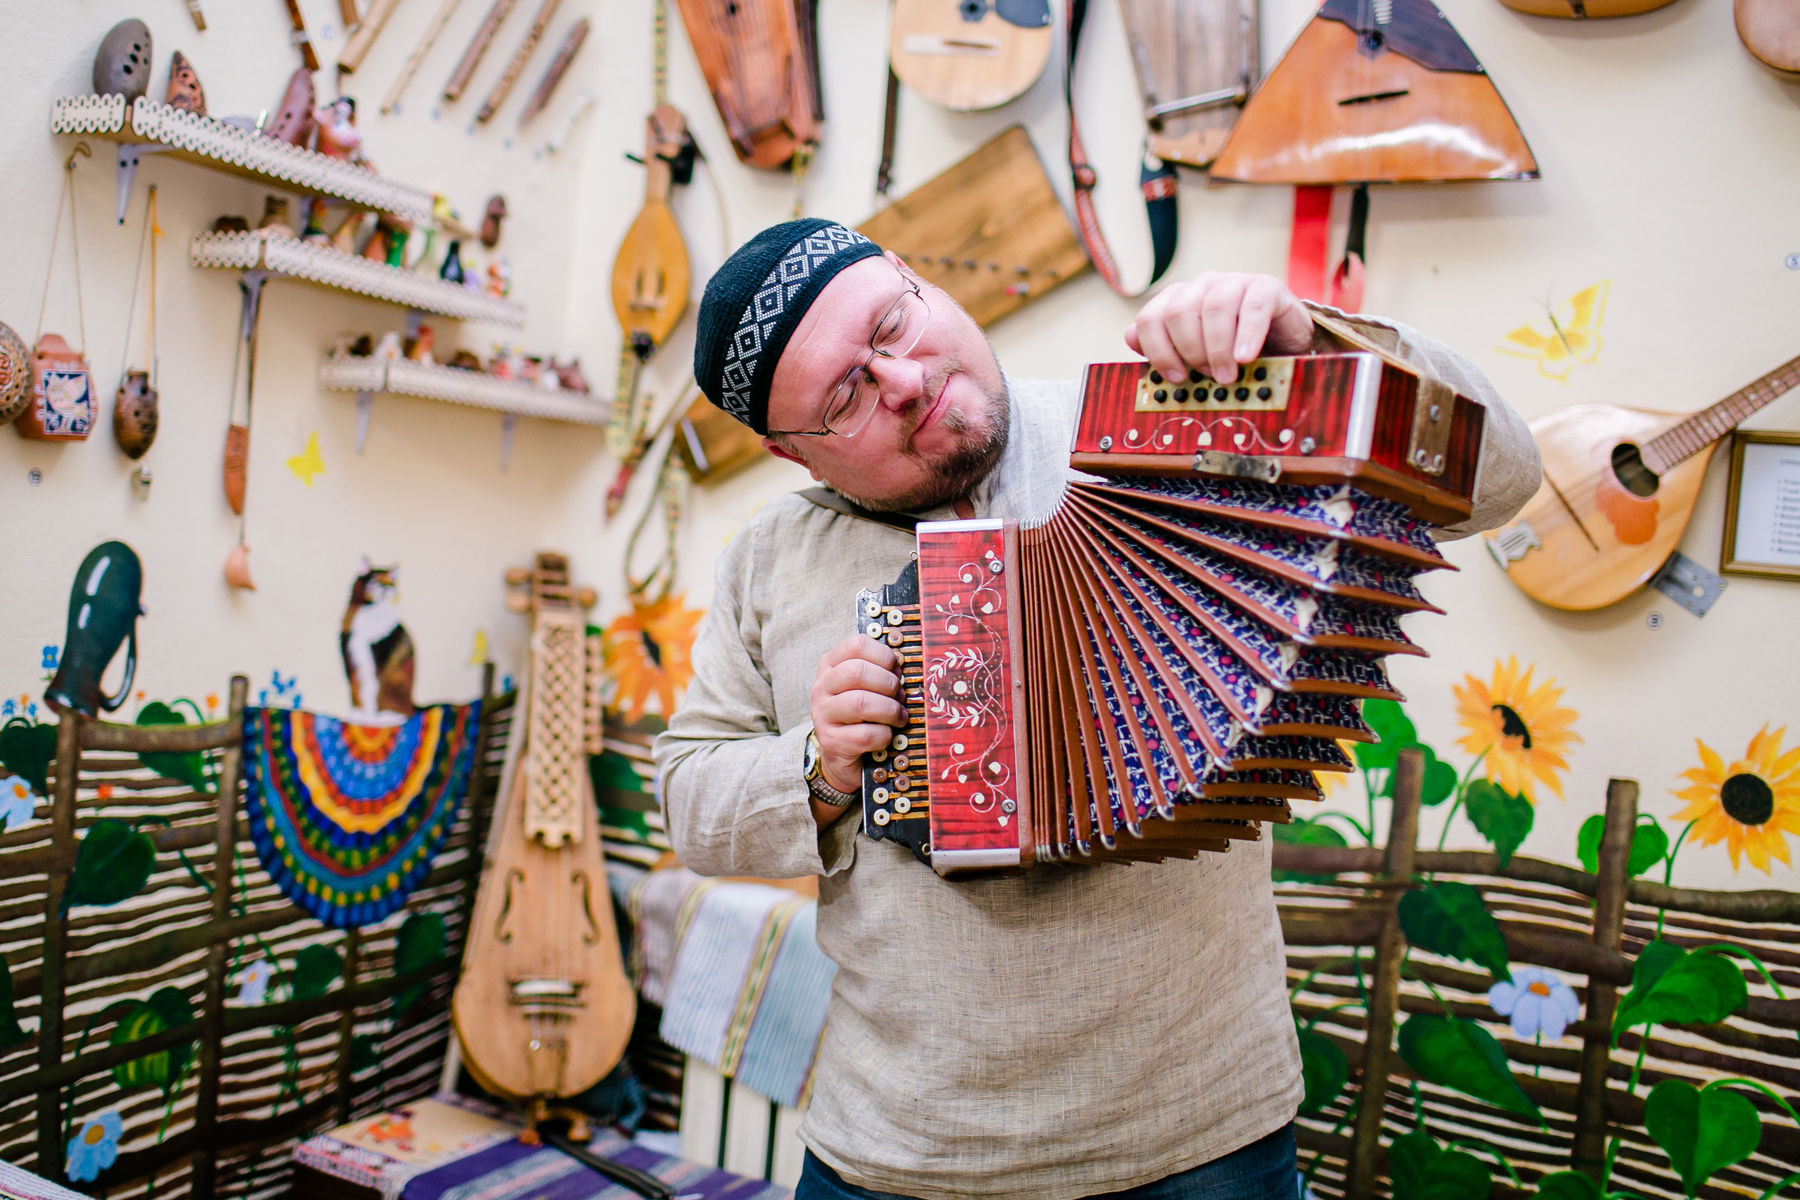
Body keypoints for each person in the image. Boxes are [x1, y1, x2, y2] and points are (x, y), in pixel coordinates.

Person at [654, 219, 1540, 1200]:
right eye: (846, 395)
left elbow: (1502, 476)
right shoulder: (769, 561)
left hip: (1200, 1134)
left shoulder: (1174, 426)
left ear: (916, 277)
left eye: (893, 325)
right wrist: (816, 765)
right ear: (794, 453)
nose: (900, 379)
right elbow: (689, 799)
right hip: (901, 1150)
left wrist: (1315, 351)